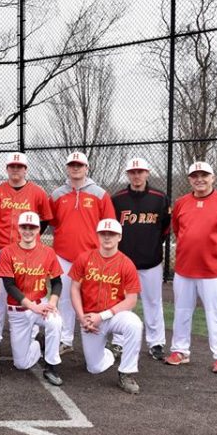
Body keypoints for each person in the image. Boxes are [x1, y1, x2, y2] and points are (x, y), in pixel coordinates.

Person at [166, 161, 217, 375]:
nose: (199, 179)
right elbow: (177, 229)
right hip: (184, 269)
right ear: (189, 179)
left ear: (213, 178)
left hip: (212, 271)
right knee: (181, 311)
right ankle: (180, 351)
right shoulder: (182, 203)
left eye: (204, 175)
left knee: (216, 313)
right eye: (195, 175)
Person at [49, 151, 116, 356]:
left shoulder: (100, 194)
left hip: (92, 255)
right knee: (65, 299)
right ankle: (66, 339)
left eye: (80, 165)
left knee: (95, 299)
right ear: (67, 168)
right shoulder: (57, 195)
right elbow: (53, 223)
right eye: (72, 165)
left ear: (87, 168)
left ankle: (98, 336)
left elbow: (110, 225)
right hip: (63, 254)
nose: (75, 168)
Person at [69, 219, 143, 394]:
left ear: (119, 237)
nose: (107, 237)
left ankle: (126, 372)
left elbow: (131, 300)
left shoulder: (126, 263)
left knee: (134, 324)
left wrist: (102, 315)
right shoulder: (84, 258)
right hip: (90, 318)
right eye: (103, 233)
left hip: (113, 315)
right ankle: (111, 353)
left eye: (112, 234)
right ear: (98, 236)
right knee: (94, 368)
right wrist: (82, 317)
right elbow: (74, 289)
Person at [0, 151, 53, 349]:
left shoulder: (38, 192)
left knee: (30, 291)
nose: (16, 170)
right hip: (1, 249)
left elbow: (46, 219)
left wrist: (32, 239)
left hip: (29, 252)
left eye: (20, 167)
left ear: (25, 169)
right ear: (7, 169)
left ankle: (32, 334)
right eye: (12, 167)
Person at [111, 157, 171, 360]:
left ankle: (156, 343)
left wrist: (152, 244)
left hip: (151, 261)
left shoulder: (159, 197)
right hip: (123, 261)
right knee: (119, 301)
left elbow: (165, 227)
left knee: (153, 302)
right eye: (133, 172)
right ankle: (118, 342)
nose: (136, 175)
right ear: (128, 174)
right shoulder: (117, 199)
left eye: (140, 171)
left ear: (147, 173)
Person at [0, 211, 64, 385]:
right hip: (18, 310)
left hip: (40, 303)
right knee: (21, 364)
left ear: (38, 229)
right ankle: (37, 344)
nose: (28, 231)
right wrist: (32, 307)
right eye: (24, 227)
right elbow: (9, 286)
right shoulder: (7, 252)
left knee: (55, 321)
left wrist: (53, 302)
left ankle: (52, 366)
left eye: (32, 227)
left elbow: (57, 282)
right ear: (18, 228)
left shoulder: (48, 252)